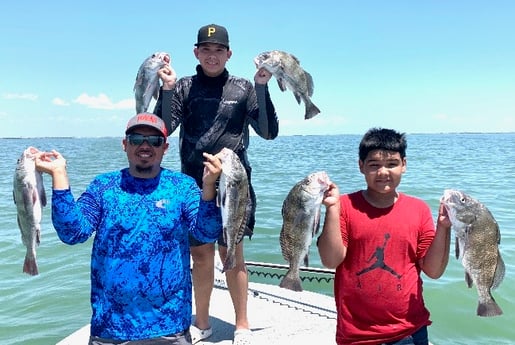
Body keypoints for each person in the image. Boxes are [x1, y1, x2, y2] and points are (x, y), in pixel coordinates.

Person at [34, 113, 224, 345]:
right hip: (110, 328)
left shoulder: (183, 186)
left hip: (170, 325)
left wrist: (208, 186)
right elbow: (73, 232)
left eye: (154, 141)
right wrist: (59, 174)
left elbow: (206, 232)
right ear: (125, 145)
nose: (145, 145)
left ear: (165, 147)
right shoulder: (103, 186)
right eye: (136, 139)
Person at [153, 24, 279, 344]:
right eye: (206, 50)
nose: (212, 56)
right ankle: (203, 322)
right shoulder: (182, 87)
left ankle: (242, 325)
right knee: (200, 255)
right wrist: (166, 90)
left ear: (228, 53)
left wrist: (262, 87)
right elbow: (162, 130)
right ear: (196, 52)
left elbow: (268, 131)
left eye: (218, 50)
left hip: (233, 183)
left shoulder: (242, 88)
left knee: (233, 253)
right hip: (193, 185)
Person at [317, 128, 452, 345]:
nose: (383, 172)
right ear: (361, 166)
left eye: (392, 164)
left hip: (409, 331)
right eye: (374, 165)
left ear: (404, 165)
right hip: (356, 335)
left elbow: (434, 270)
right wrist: (332, 208)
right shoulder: (344, 206)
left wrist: (444, 227)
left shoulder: (419, 209)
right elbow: (331, 260)